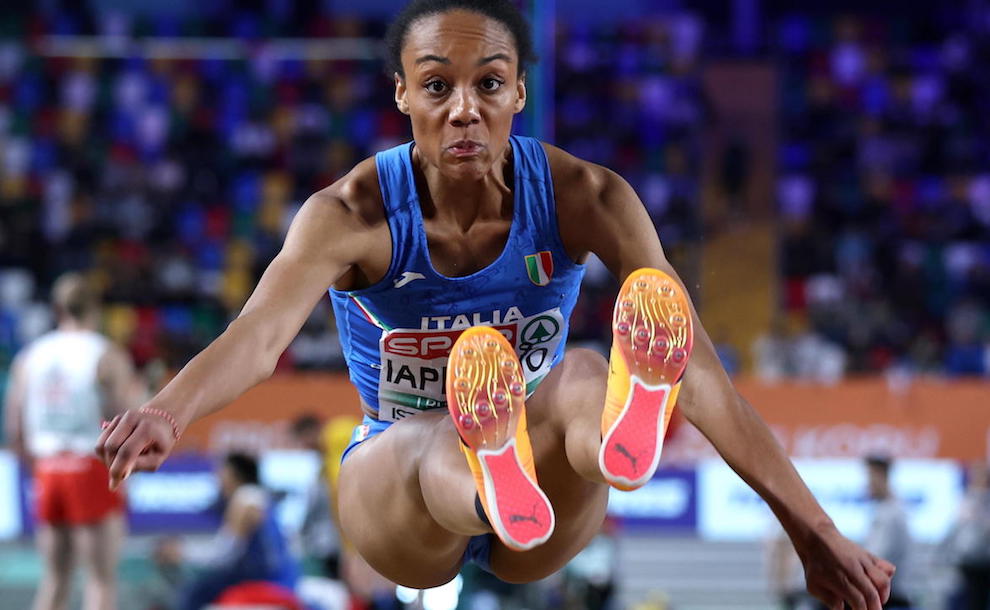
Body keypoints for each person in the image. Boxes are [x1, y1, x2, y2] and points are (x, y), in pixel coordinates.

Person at [96, 2, 895, 608]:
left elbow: (703, 374)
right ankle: (490, 465)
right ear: (402, 94)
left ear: (519, 90)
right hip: (404, 502)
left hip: (546, 506)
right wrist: (170, 409)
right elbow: (260, 334)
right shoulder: (353, 212)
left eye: (488, 84)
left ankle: (609, 436)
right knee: (433, 434)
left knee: (585, 372)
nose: (465, 108)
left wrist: (815, 536)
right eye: (438, 85)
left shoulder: (589, 198)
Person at [3, 272, 142, 610]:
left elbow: (15, 424)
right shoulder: (104, 353)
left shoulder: (30, 355)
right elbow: (125, 415)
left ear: (57, 308)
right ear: (95, 308)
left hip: (48, 468)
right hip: (90, 465)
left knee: (54, 579)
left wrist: (34, 464)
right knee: (100, 580)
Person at [178, 452, 300, 610]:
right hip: (283, 578)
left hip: (267, 582)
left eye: (222, 471)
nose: (217, 477)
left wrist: (183, 553)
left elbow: (225, 553)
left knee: (194, 592)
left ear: (234, 474)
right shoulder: (261, 497)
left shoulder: (245, 498)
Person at [290, 413, 342, 579]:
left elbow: (339, 491)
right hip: (331, 543)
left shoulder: (336, 435)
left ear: (309, 432)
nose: (304, 447)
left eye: (302, 440)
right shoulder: (323, 466)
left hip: (337, 541)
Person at [862, 456, 913, 609]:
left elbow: (878, 558)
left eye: (870, 476)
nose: (867, 483)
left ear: (881, 476)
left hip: (892, 597)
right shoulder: (884, 510)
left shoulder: (892, 514)